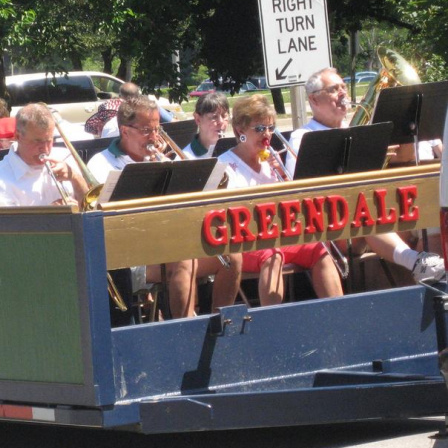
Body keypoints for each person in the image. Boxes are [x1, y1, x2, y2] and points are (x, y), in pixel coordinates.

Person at [285, 67, 445, 283]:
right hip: (329, 223)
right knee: (363, 213)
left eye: (343, 87)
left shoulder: (360, 131)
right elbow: (301, 186)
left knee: (427, 215)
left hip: (364, 213)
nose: (343, 93)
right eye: (333, 89)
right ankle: (415, 261)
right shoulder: (302, 136)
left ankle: (435, 283)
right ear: (314, 100)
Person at [87, 96, 242, 317]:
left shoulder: (163, 156)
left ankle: (220, 324)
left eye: (156, 129)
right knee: (180, 258)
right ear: (125, 131)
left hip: (169, 244)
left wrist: (164, 166)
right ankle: (187, 331)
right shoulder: (101, 164)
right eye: (146, 130)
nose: (154, 137)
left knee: (231, 255)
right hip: (130, 257)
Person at [218, 95, 344, 305]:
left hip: (276, 233)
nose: (266, 135)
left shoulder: (271, 161)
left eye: (270, 128)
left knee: (318, 249)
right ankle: (273, 324)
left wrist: (285, 179)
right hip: (243, 241)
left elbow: (294, 204)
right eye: (259, 129)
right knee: (272, 255)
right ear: (240, 131)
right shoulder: (223, 165)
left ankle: (339, 313)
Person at [0, 104, 87, 207]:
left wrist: (75, 178)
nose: (45, 149)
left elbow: (90, 207)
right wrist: (52, 214)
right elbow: (8, 225)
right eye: (37, 141)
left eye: (49, 141)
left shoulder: (64, 156)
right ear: (17, 136)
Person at [183, 92, 230, 159]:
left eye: (224, 116)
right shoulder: (185, 158)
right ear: (198, 119)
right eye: (214, 117)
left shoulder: (234, 152)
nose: (221, 122)